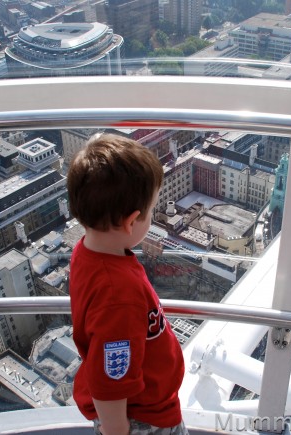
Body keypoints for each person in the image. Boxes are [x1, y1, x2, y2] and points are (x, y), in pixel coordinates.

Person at [66, 133, 187, 435]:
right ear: (131, 222)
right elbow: (111, 378)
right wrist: (117, 429)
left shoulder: (88, 251)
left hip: (143, 407)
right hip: (144, 418)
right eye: (151, 212)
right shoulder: (118, 294)